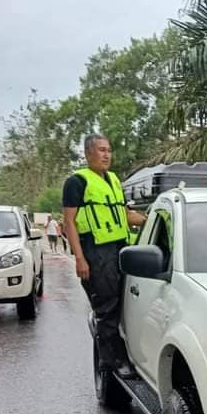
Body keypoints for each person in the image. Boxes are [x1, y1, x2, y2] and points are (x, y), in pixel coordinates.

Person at [62, 134, 147, 377]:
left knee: (122, 304)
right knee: (107, 309)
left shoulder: (113, 180)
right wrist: (80, 258)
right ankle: (113, 361)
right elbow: (69, 222)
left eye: (109, 150)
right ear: (88, 153)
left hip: (119, 249)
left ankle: (116, 354)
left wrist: (151, 218)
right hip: (96, 252)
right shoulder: (77, 182)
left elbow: (126, 215)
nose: (106, 155)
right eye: (101, 150)